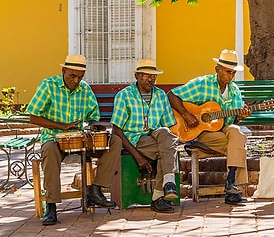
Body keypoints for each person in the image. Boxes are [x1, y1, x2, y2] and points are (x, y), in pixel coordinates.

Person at [26, 54, 122, 225]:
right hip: (54, 138)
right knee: (49, 150)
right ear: (63, 70)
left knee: (114, 141)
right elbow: (33, 117)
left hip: (81, 139)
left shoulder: (85, 89)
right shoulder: (48, 86)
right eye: (72, 76)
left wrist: (95, 126)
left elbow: (93, 116)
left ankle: (96, 190)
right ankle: (51, 205)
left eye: (80, 77)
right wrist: (62, 126)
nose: (76, 80)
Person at [168, 49, 252, 205]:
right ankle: (232, 189)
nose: (231, 76)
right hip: (202, 132)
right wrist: (186, 115)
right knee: (238, 146)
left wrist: (240, 116)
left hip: (223, 130)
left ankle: (230, 182)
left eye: (233, 73)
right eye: (228, 72)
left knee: (238, 134)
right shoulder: (202, 84)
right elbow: (172, 95)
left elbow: (233, 122)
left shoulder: (235, 91)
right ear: (217, 69)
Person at [110, 59, 179, 213]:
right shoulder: (125, 95)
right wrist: (137, 155)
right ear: (137, 76)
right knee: (167, 149)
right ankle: (159, 195)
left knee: (167, 136)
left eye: (153, 76)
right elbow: (116, 129)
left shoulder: (160, 95)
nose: (151, 79)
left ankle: (167, 185)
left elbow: (167, 124)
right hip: (134, 138)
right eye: (147, 76)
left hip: (155, 135)